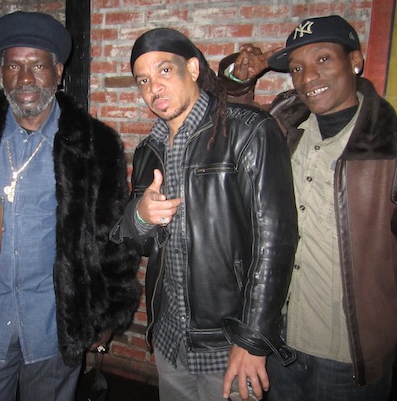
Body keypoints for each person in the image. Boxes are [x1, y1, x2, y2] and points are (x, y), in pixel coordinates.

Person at [0, 11, 141, 401]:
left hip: (54, 324)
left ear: (58, 71)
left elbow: (114, 237)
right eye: (14, 66)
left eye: (37, 66)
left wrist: (108, 314)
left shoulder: (94, 144)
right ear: (2, 72)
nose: (25, 78)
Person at [109, 28, 298, 401]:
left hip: (229, 344)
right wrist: (141, 215)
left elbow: (276, 243)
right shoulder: (149, 149)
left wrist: (253, 339)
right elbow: (134, 242)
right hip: (170, 340)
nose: (154, 88)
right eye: (143, 80)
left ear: (193, 69)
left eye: (165, 71)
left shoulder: (248, 131)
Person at [220, 15, 397, 400]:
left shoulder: (388, 146)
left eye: (323, 59)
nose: (308, 76)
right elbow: (233, 127)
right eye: (297, 68)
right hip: (280, 341)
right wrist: (238, 79)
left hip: (349, 356)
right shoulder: (284, 127)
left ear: (355, 61)